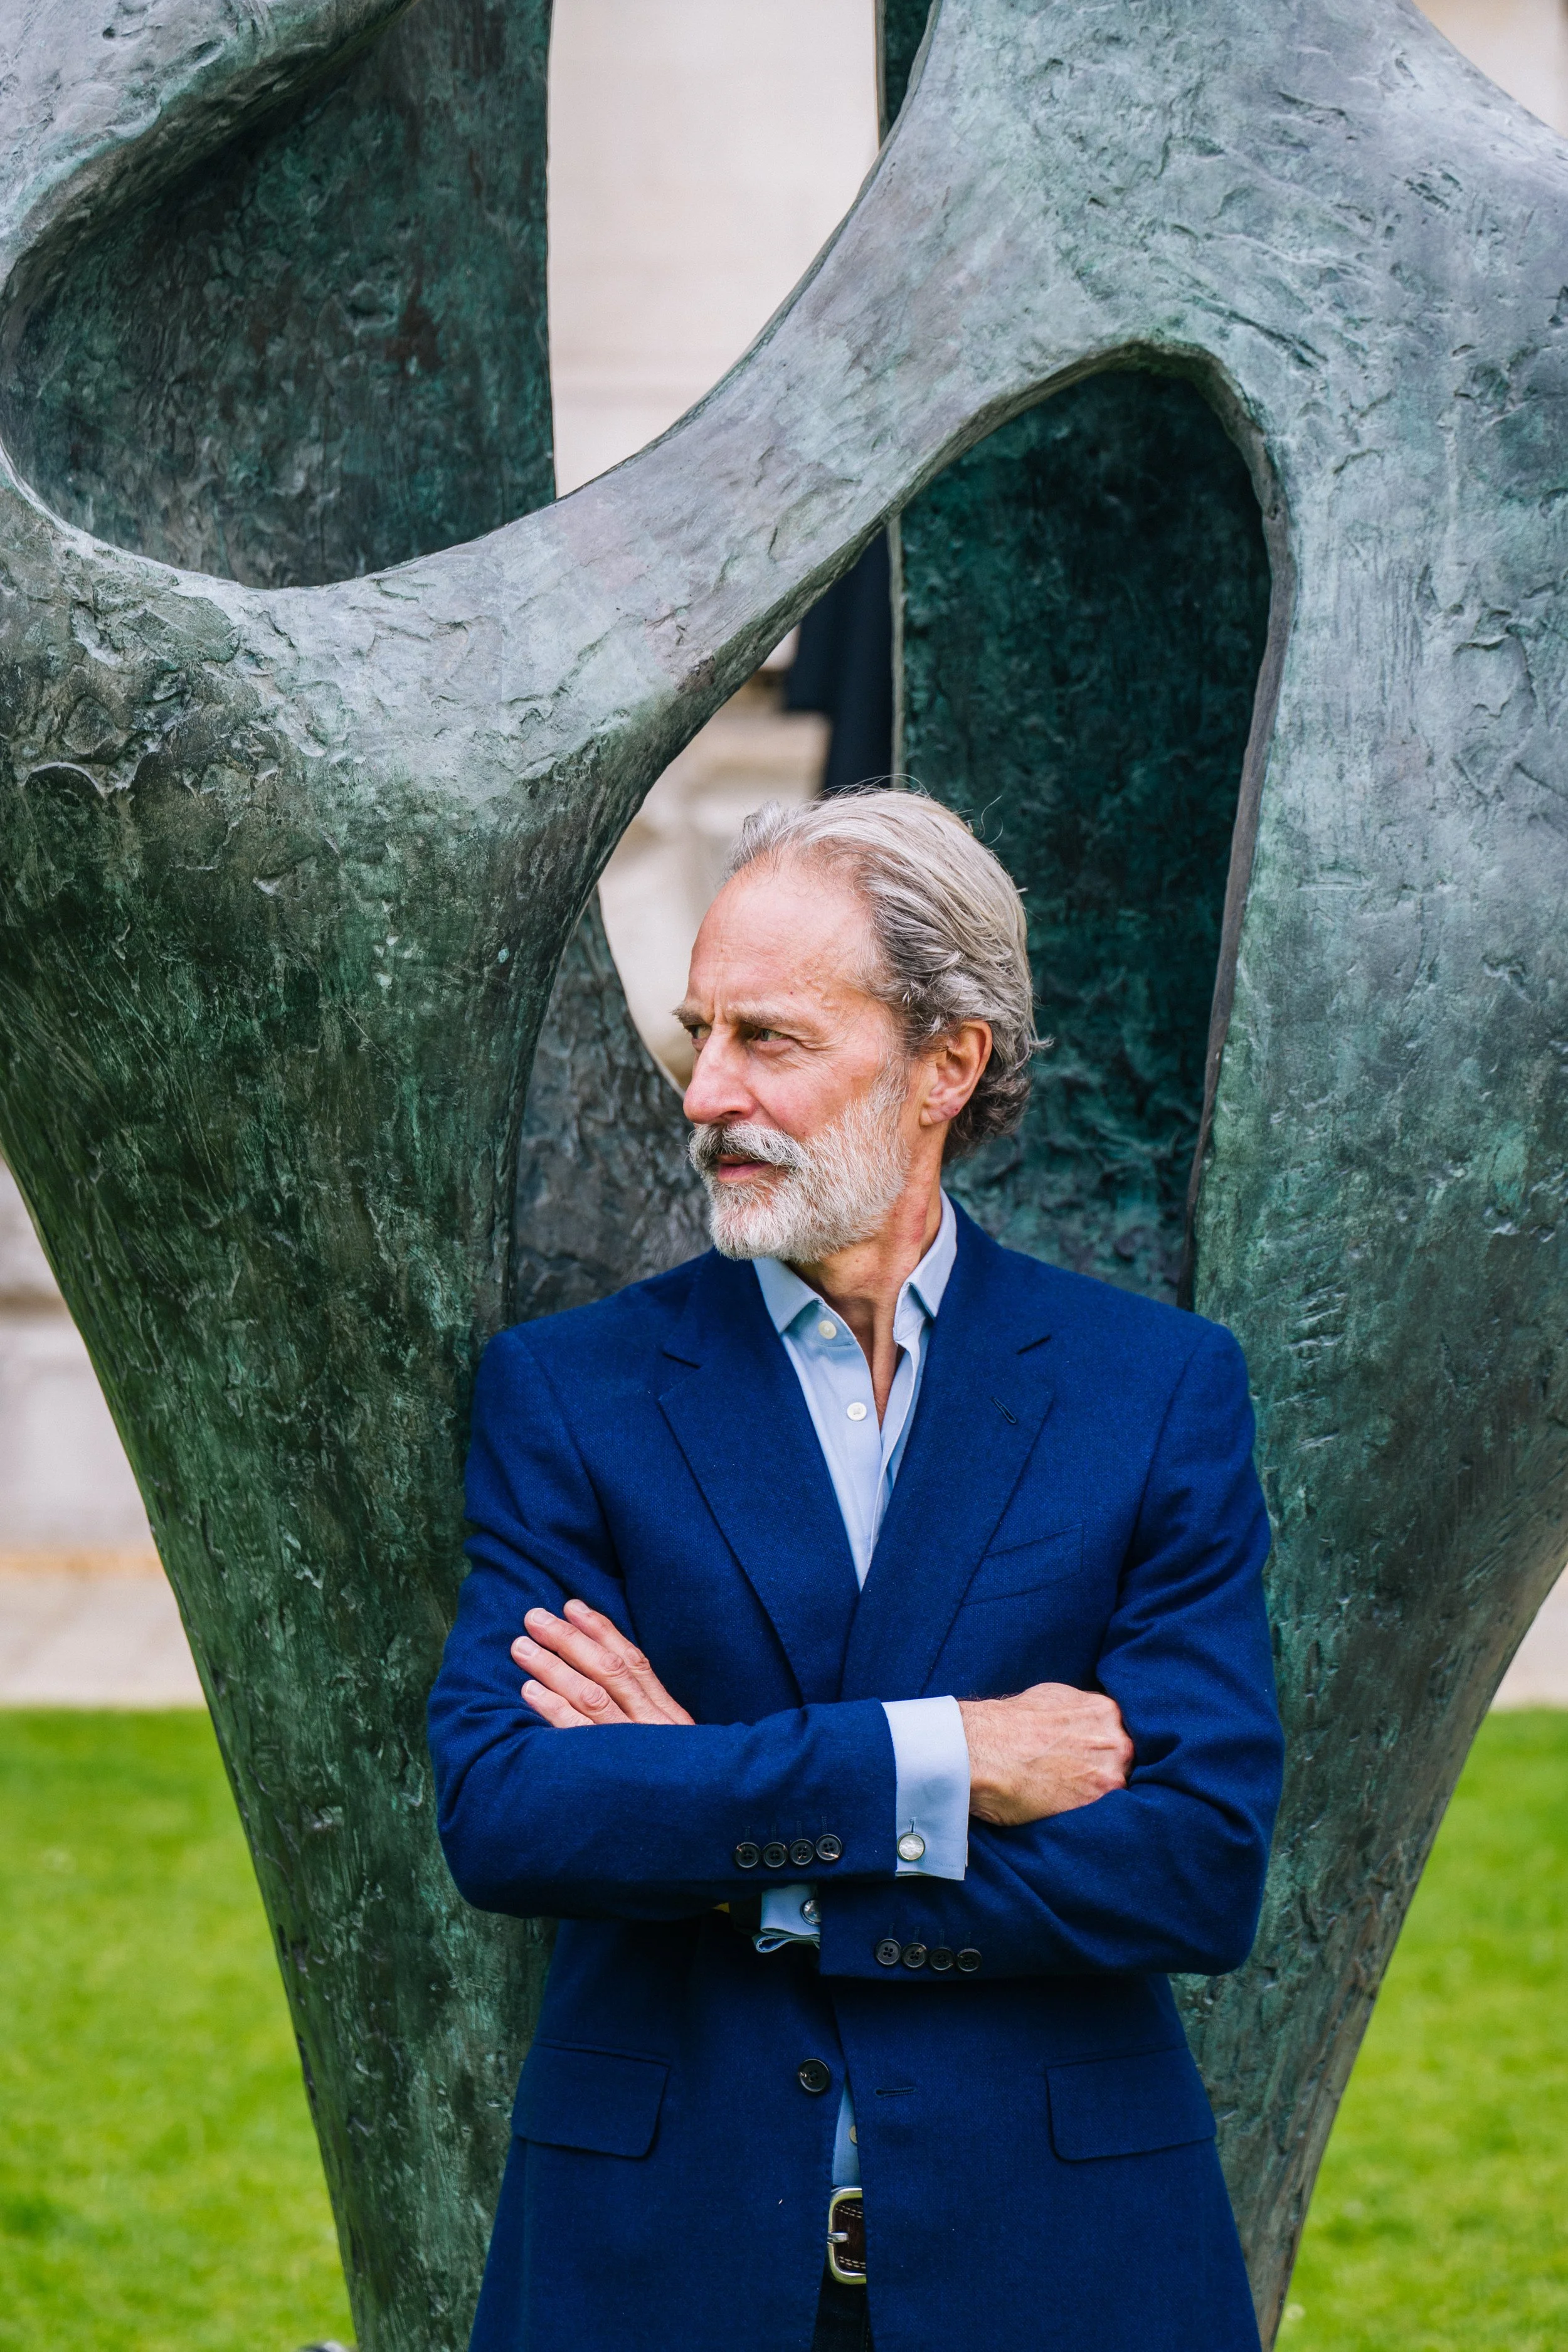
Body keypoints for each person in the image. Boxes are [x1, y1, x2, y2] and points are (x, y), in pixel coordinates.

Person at [428, 788, 1283, 2352]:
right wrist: (939, 1757)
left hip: (1065, 2258)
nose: (705, 1092)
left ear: (945, 1063)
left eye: (771, 1038)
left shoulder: (1149, 1391)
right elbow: (509, 1812)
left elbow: (1197, 1858)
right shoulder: (570, 1394)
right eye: (700, 1031)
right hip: (657, 2261)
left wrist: (726, 1834)